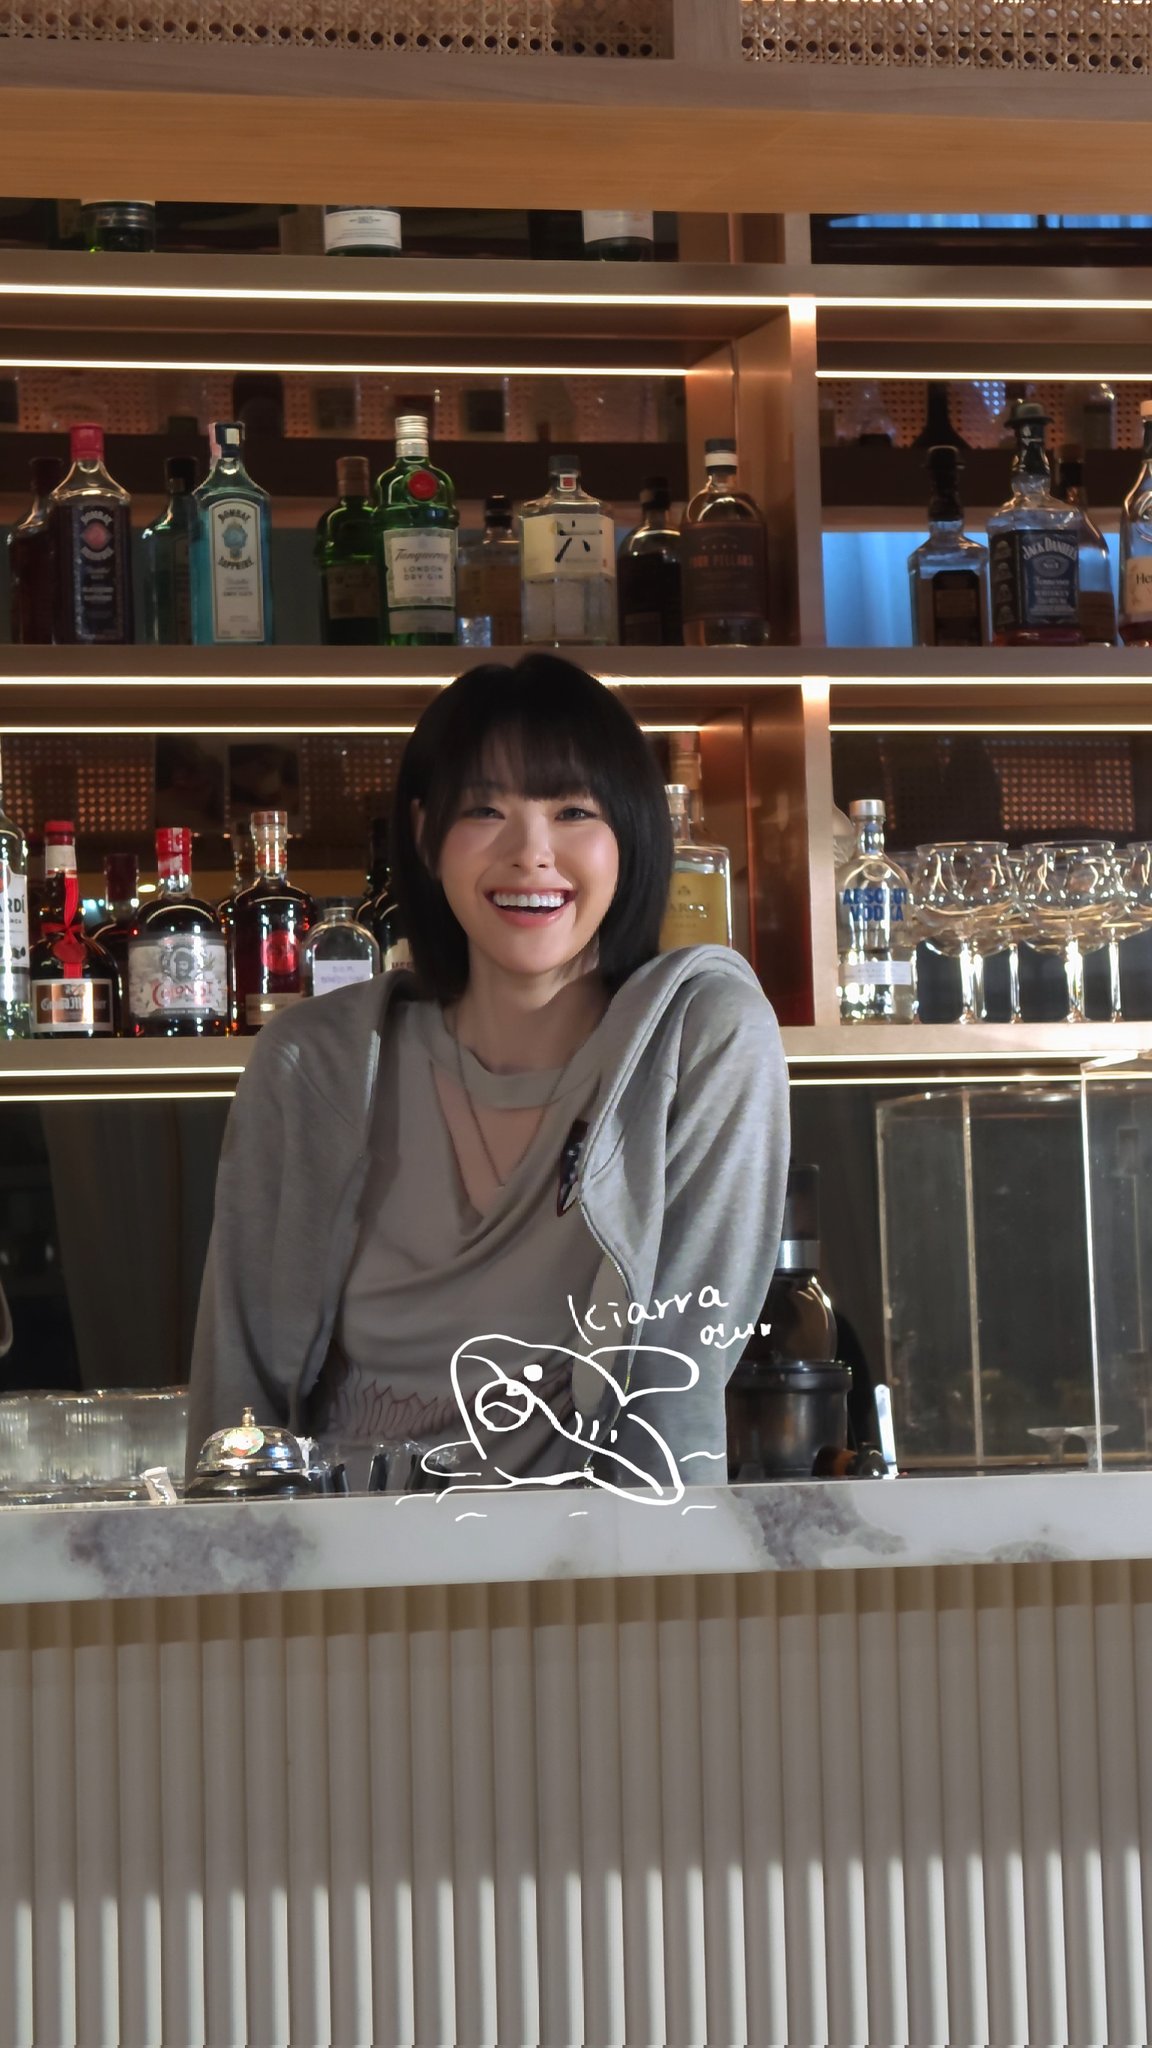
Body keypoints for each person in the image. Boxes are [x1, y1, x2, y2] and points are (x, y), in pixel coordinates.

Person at [186, 654, 789, 1492]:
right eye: (485, 810)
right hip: (337, 1555)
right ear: (426, 835)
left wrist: (656, 1574)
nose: (531, 854)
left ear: (632, 835)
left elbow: (674, 1392)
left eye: (573, 811)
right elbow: (235, 1405)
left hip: (592, 1556)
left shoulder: (699, 1038)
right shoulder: (314, 1060)